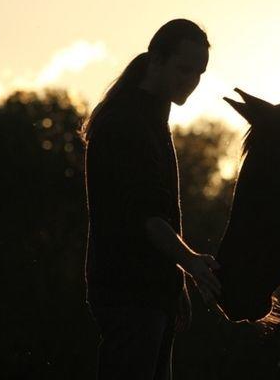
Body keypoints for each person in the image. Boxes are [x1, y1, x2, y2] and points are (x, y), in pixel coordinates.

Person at [78, 19, 221, 380]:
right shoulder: (125, 123)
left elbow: (156, 214)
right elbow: (146, 216)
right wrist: (190, 263)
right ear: (156, 60)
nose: (192, 80)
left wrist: (174, 281)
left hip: (150, 294)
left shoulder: (150, 117)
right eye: (184, 68)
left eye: (199, 72)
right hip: (128, 291)